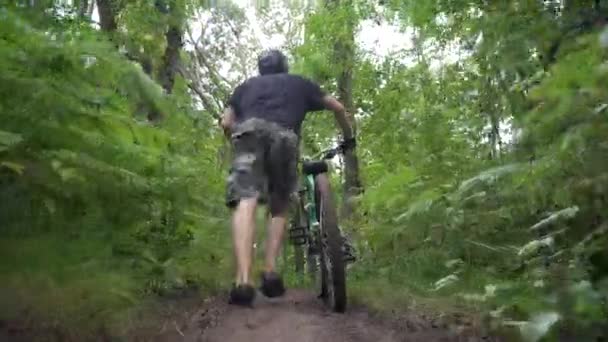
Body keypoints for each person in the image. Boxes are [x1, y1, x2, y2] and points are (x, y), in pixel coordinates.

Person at [219, 49, 355, 306]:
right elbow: (337, 106)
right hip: (285, 137)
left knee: (246, 199)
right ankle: (270, 271)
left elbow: (226, 123)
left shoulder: (244, 87)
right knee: (280, 204)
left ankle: (244, 281)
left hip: (247, 135)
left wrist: (239, 147)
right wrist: (349, 137)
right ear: (284, 66)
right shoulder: (299, 83)